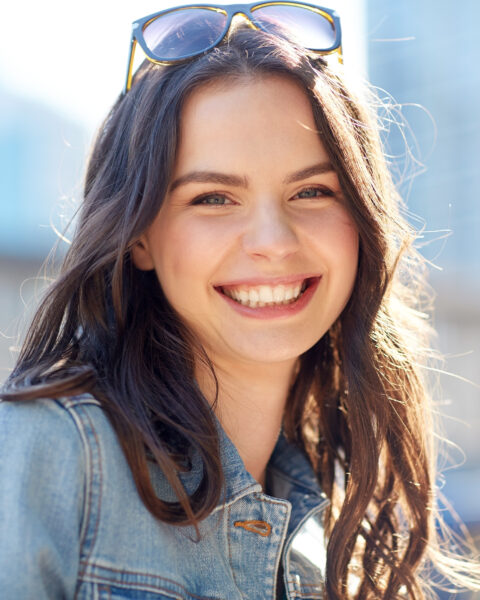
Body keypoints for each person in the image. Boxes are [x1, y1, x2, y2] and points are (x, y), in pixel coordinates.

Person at [0, 3, 478, 599]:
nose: (274, 243)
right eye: (213, 199)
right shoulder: (45, 451)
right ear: (140, 235)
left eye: (311, 190)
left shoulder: (329, 528)